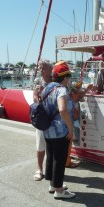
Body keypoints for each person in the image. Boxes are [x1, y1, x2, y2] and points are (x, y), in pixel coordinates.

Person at [42, 61, 76, 199]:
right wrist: (70, 128)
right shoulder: (61, 90)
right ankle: (59, 190)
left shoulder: (47, 87)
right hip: (60, 130)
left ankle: (53, 184)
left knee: (50, 156)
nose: (69, 79)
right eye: (69, 76)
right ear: (65, 77)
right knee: (60, 159)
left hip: (48, 129)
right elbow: (62, 109)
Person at [32, 60, 53, 181]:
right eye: (40, 67)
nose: (41, 69)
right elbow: (34, 97)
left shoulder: (55, 80)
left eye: (43, 67)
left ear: (50, 69)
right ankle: (39, 169)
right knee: (40, 144)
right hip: (42, 116)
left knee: (53, 144)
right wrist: (38, 97)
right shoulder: (38, 81)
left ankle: (51, 170)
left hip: (54, 116)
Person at [66, 81, 93, 168]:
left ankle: (66, 160)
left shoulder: (68, 91)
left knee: (69, 140)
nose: (80, 90)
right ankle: (67, 161)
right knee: (69, 141)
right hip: (71, 119)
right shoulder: (71, 94)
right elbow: (79, 96)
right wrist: (87, 89)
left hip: (71, 118)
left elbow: (79, 95)